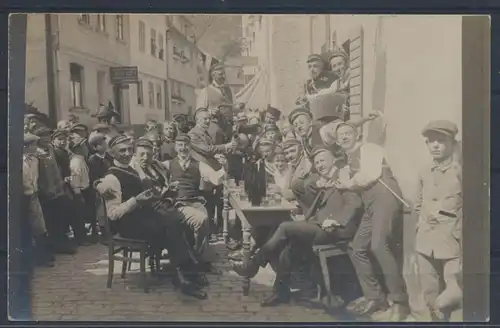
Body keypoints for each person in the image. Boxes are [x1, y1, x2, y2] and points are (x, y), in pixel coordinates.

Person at [232, 146, 363, 307]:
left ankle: (254, 264)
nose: (320, 165)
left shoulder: (342, 176)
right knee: (289, 248)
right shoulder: (322, 179)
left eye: (322, 161)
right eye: (317, 162)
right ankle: (280, 292)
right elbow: (307, 191)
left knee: (286, 227)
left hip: (335, 229)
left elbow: (354, 203)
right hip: (318, 225)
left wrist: (337, 221)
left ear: (333, 160)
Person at [94, 135, 208, 299]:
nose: (127, 153)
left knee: (174, 220)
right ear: (112, 154)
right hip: (129, 226)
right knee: (171, 224)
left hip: (142, 219)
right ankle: (186, 275)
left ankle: (184, 274)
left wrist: (159, 194)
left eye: (129, 150)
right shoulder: (112, 178)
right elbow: (113, 215)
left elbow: (145, 189)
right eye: (122, 151)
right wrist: (136, 200)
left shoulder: (131, 169)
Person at [333, 122, 409, 320]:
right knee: (357, 247)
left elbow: (370, 175)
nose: (344, 137)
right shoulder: (346, 161)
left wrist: (348, 183)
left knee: (379, 246)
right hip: (370, 203)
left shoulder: (369, 148)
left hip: (385, 196)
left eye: (348, 132)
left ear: (357, 134)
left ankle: (399, 302)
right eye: (340, 135)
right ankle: (375, 297)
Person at [414, 120, 463, 321]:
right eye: (430, 141)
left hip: (452, 241)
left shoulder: (461, 172)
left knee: (455, 293)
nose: (435, 145)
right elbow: (417, 204)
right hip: (425, 242)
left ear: (452, 143)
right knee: (430, 291)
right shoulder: (424, 171)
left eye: (441, 141)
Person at [164, 134, 226, 261]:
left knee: (203, 220)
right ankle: (184, 253)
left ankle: (197, 254)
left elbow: (216, 179)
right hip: (176, 203)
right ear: (175, 147)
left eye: (186, 145)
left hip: (194, 202)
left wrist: (224, 166)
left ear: (190, 147)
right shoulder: (168, 164)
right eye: (180, 145)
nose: (183, 148)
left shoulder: (199, 165)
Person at [188, 107, 236, 237]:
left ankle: (214, 229)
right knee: (206, 202)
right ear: (197, 120)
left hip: (210, 172)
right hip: (202, 174)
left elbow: (209, 153)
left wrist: (217, 157)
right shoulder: (193, 134)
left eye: (209, 118)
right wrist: (225, 147)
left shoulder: (205, 133)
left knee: (214, 201)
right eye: (205, 118)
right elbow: (206, 150)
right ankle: (207, 232)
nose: (208, 121)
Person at [33, 127, 77, 255]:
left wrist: (60, 184)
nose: (46, 138)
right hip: (44, 192)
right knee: (49, 221)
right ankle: (51, 247)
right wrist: (44, 189)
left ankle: (61, 244)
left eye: (47, 136)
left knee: (60, 219)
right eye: (43, 136)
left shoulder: (51, 150)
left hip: (58, 190)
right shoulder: (36, 153)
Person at [23, 133, 54, 267]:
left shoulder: (35, 160)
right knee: (27, 228)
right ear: (26, 146)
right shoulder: (18, 161)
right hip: (23, 198)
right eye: (34, 145)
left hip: (34, 195)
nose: (36, 147)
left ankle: (42, 257)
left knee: (40, 227)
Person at [87, 133, 114, 235]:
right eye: (101, 144)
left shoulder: (109, 157)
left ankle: (111, 229)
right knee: (101, 210)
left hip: (111, 185)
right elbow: (93, 176)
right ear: (95, 147)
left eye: (104, 143)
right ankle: (102, 231)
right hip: (99, 188)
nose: (104, 145)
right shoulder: (92, 159)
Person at [69, 138, 94, 244]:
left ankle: (84, 236)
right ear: (77, 149)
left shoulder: (81, 159)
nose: (86, 148)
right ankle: (80, 238)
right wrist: (78, 194)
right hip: (80, 191)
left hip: (85, 188)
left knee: (83, 215)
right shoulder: (76, 161)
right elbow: (75, 178)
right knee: (79, 216)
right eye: (83, 146)